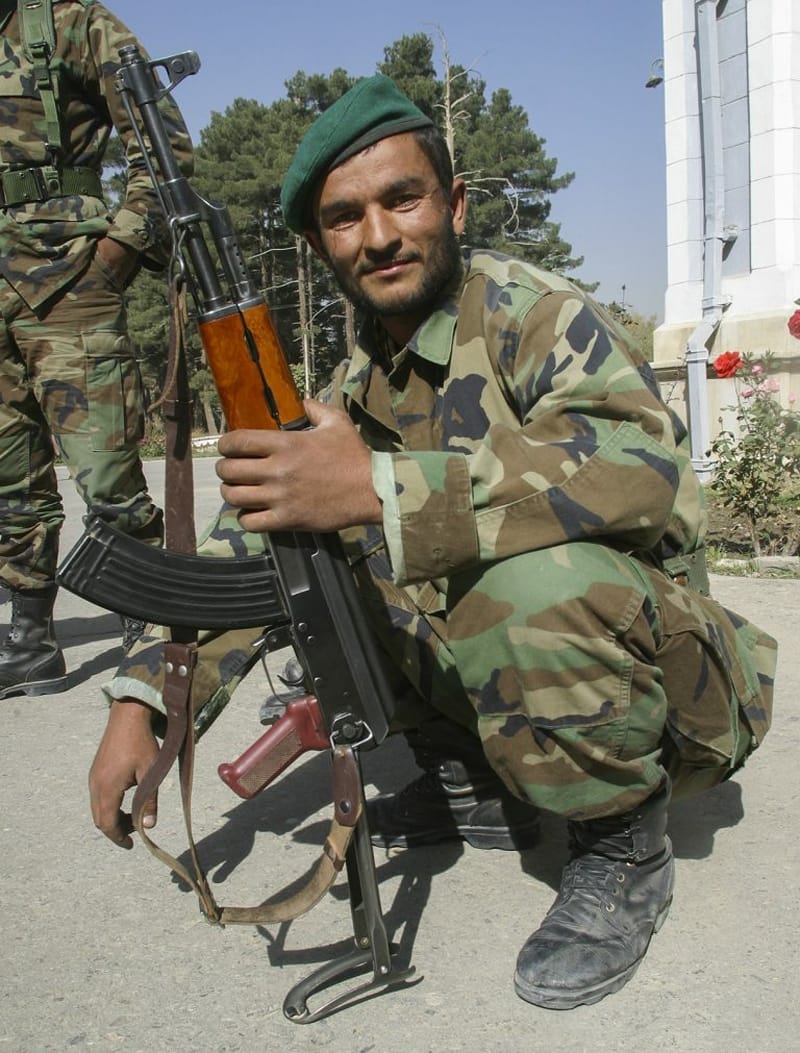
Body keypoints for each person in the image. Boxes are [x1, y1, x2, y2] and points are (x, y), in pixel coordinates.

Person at [88, 75, 775, 1011]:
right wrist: (149, 703)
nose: (378, 236)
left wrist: (373, 486)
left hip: (672, 693)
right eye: (344, 218)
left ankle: (620, 842)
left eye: (401, 199)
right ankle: (474, 773)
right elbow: (252, 543)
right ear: (320, 242)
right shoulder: (358, 373)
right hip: (531, 682)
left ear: (451, 204)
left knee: (523, 575)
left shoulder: (535, 316)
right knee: (332, 558)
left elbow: (641, 469)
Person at [0, 0, 193, 699]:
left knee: (108, 473)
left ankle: (152, 629)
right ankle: (31, 642)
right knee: (9, 482)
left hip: (65, 278)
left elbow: (163, 141)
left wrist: (118, 252)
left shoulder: (70, 22)